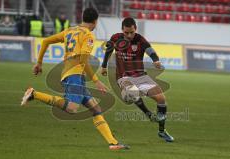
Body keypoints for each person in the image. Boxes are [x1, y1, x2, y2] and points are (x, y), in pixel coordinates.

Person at [21, 8, 129, 150]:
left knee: (95, 108)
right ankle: (34, 94)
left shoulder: (69, 31)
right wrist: (96, 81)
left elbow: (46, 41)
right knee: (72, 108)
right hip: (74, 75)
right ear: (95, 21)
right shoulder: (88, 36)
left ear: (83, 18)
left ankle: (113, 143)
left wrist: (39, 63)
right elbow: (83, 61)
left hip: (73, 75)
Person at [101, 17, 174, 142]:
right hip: (123, 77)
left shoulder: (140, 40)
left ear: (135, 29)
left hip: (140, 76)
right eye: (126, 32)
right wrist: (104, 66)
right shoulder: (115, 38)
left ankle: (162, 131)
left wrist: (155, 60)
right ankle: (148, 114)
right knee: (131, 92)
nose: (129, 35)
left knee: (161, 99)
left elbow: (150, 51)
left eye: (131, 32)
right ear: (122, 30)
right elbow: (109, 50)